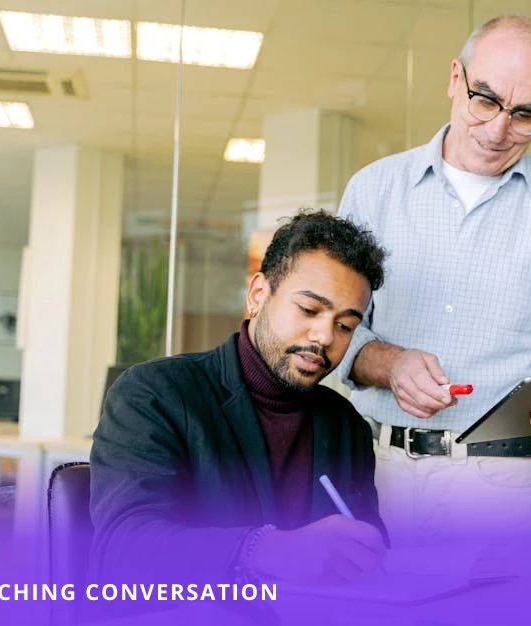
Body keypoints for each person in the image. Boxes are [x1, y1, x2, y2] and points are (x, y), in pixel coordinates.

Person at [337, 15, 531, 548]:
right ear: (454, 78)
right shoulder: (373, 191)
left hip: (500, 489)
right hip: (377, 472)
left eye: (525, 114)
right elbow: (337, 334)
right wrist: (391, 363)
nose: (497, 131)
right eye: (485, 100)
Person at [89, 211, 390, 591]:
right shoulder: (156, 393)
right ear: (258, 294)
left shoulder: (345, 424)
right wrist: (264, 551)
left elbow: (367, 549)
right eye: (309, 309)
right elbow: (125, 547)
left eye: (345, 325)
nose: (324, 336)